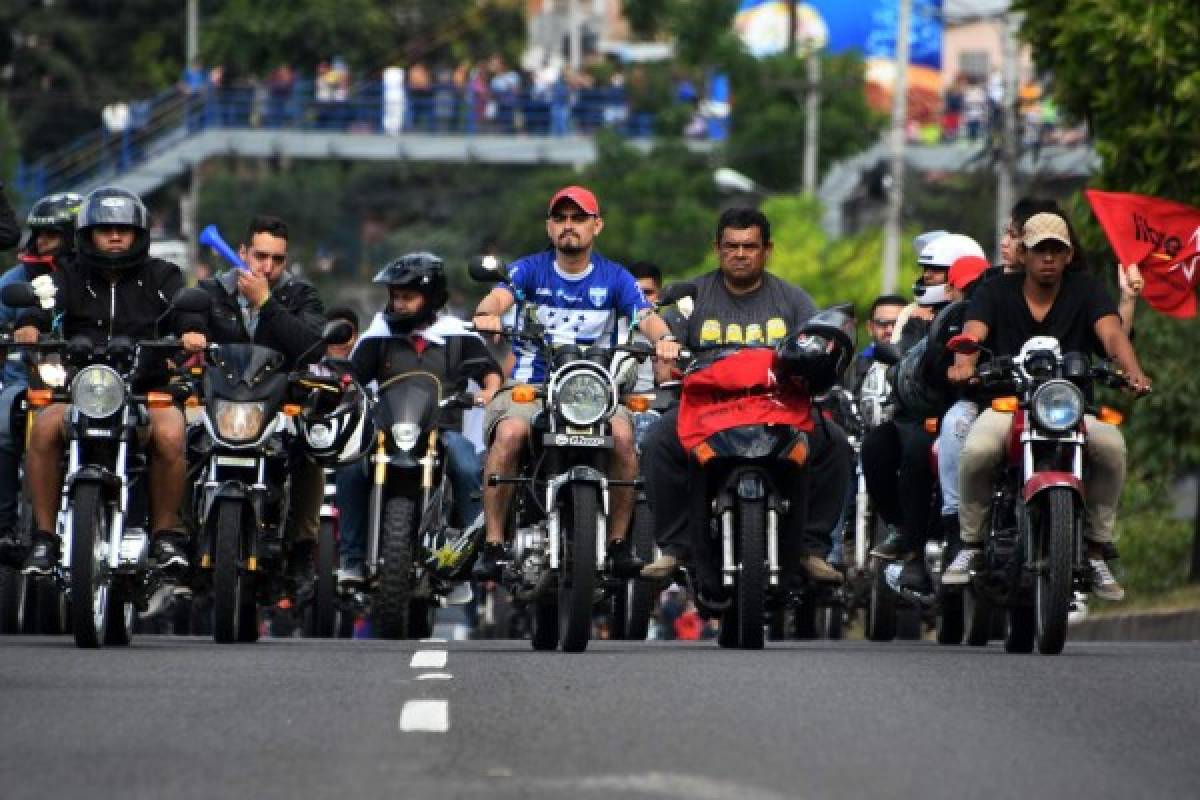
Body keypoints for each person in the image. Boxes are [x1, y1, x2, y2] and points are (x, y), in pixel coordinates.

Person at [470, 185, 681, 580]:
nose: (569, 226)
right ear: (550, 227)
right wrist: (486, 314)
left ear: (596, 226)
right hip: (531, 389)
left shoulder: (615, 277)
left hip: (595, 392)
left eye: (579, 218)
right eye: (561, 218)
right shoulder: (528, 269)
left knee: (623, 438)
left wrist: (664, 339)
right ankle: (494, 544)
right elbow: (497, 299)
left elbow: (646, 316)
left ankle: (619, 544)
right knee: (512, 432)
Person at [941, 211, 1152, 601]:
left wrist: (1133, 371)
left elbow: (1111, 335)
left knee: (1111, 447)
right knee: (977, 448)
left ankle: (1094, 548)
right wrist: (965, 364)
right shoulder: (994, 293)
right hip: (1008, 407)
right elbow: (973, 333)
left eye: (1057, 250)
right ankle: (969, 545)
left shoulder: (1087, 290)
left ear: (1069, 255)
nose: (1049, 258)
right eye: (1040, 250)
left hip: (1073, 409)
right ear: (1023, 254)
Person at [640, 207, 849, 591]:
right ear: (717, 248)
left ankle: (811, 548)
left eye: (750, 246)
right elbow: (663, 365)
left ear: (766, 250)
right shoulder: (690, 298)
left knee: (835, 443)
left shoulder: (794, 301)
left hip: (779, 407)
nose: (740, 254)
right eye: (731, 246)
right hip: (705, 408)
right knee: (656, 441)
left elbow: (818, 346)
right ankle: (675, 547)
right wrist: (665, 361)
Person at [18, 187, 206, 574]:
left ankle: (166, 536)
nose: (116, 237)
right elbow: (42, 307)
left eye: (124, 230)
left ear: (138, 234)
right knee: (42, 431)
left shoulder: (162, 275)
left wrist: (191, 330)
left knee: (171, 434)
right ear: (89, 234)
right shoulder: (67, 274)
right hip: (78, 390)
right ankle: (44, 538)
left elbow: (186, 312)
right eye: (106, 230)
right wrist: (29, 326)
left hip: (144, 389)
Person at [335, 253, 502, 583]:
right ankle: (352, 558)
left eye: (407, 297)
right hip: (385, 432)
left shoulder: (459, 335)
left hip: (441, 432)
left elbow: (490, 374)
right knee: (351, 466)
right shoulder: (379, 336)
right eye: (395, 296)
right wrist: (342, 384)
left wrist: (487, 393)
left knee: (469, 466)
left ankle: (465, 559)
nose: (398, 304)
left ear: (432, 298)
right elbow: (352, 376)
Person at [188, 214, 328, 574]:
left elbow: (311, 347)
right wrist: (189, 332)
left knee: (310, 456)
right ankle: (173, 535)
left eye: (277, 259)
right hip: (217, 404)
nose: (267, 266)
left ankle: (301, 546)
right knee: (175, 444)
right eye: (260, 256)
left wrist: (267, 304)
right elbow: (184, 323)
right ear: (241, 253)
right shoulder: (211, 292)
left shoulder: (301, 295)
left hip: (279, 406)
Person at [865, 232, 985, 559]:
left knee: (919, 451)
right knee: (875, 446)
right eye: (926, 269)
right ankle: (903, 531)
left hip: (961, 411)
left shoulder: (983, 314)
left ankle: (920, 554)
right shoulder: (916, 317)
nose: (927, 277)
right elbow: (904, 361)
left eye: (936, 270)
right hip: (916, 415)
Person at [0, 193, 83, 565]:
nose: (39, 244)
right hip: (24, 380)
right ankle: (3, 524)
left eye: (51, 236)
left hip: (88, 386)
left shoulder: (92, 280)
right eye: (37, 235)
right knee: (1, 424)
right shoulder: (14, 281)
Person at [845, 293, 906, 393]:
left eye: (897, 323)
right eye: (882, 323)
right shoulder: (850, 370)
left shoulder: (921, 366)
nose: (889, 330)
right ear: (870, 327)